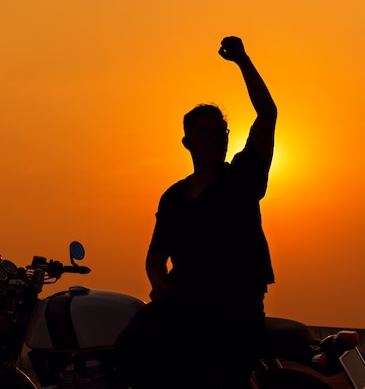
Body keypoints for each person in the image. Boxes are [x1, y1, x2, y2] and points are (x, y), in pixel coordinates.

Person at [116, 36, 277, 389]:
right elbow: (156, 255)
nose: (216, 138)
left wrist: (242, 61)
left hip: (236, 301)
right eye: (206, 132)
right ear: (188, 141)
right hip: (183, 300)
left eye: (221, 132)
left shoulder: (243, 177)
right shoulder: (173, 196)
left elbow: (267, 114)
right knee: (128, 350)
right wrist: (159, 285)